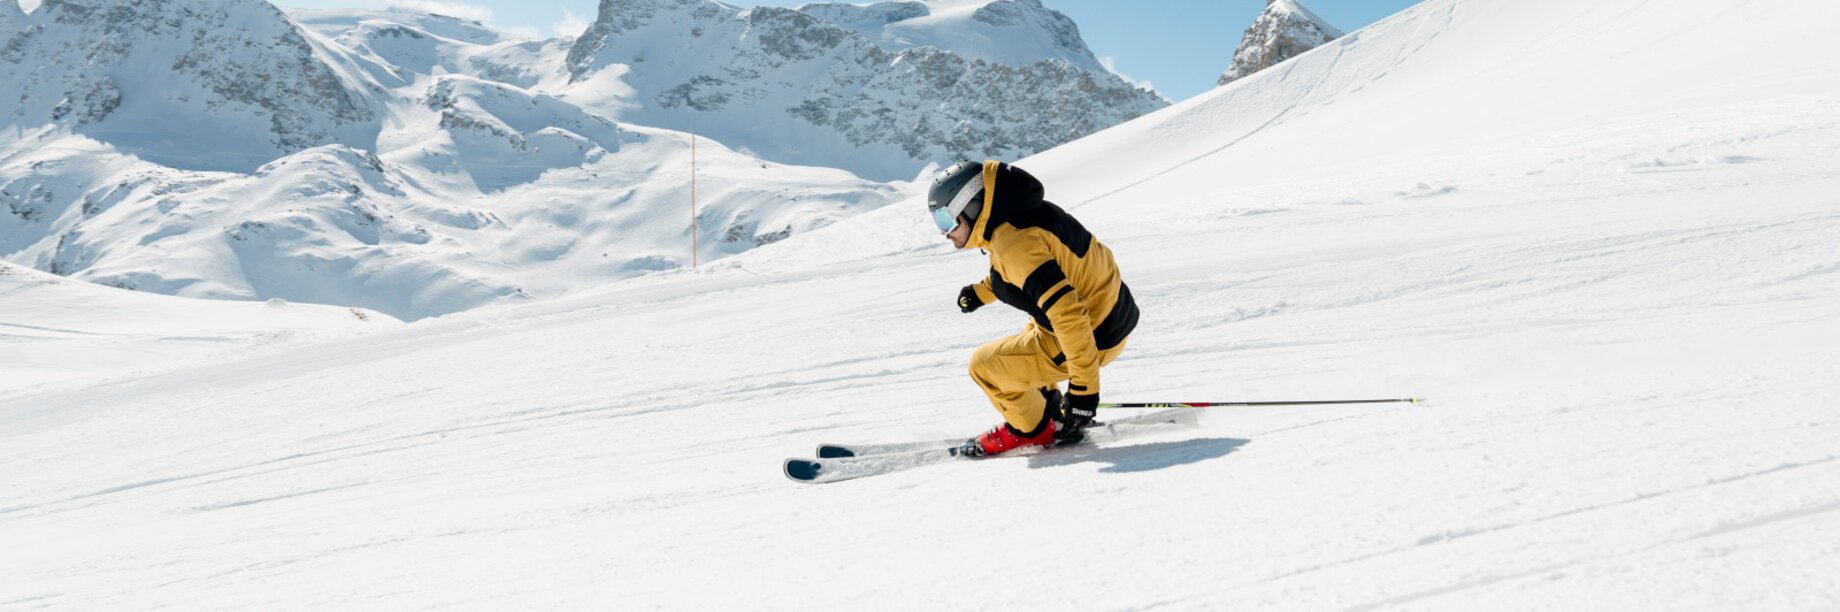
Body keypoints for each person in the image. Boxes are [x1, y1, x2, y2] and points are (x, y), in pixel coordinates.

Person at [926, 160, 1140, 458]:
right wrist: (981, 292)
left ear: (971, 206)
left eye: (946, 220)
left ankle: (1033, 429)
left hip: (1092, 337)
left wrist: (1083, 392)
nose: (944, 233)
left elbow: (1068, 314)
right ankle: (1050, 405)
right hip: (1111, 315)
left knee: (984, 366)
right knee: (1029, 333)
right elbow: (1025, 273)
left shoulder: (1012, 242)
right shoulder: (1018, 216)